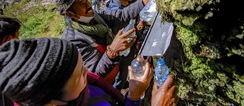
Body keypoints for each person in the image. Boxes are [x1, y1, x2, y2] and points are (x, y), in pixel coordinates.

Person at [0, 38, 176, 105]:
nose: (88, 72)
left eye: (81, 64)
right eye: (78, 76)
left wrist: (134, 95)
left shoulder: (83, 89)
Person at [54, 0, 139, 83]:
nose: (89, 5)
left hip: (118, 69)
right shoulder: (74, 40)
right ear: (70, 14)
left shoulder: (94, 17)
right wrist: (112, 51)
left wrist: (145, 1)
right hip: (107, 83)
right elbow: (94, 74)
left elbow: (119, 16)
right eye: (82, 4)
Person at [105, 0, 156, 90]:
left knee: (132, 63)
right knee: (122, 73)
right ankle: (117, 91)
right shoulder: (111, 11)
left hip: (133, 43)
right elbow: (124, 15)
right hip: (121, 50)